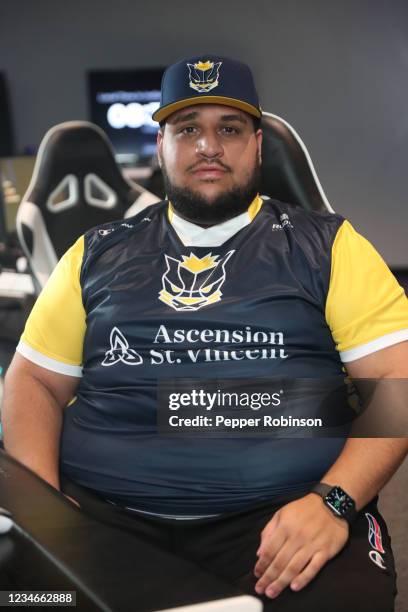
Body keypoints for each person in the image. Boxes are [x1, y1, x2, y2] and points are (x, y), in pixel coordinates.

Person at [2, 54, 408, 611]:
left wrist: (334, 502)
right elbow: (33, 382)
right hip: (102, 515)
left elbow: (396, 383)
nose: (208, 146)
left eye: (230, 129)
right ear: (162, 144)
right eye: (188, 128)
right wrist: (42, 511)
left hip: (285, 516)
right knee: (26, 599)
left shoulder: (329, 246)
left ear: (258, 144)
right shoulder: (97, 252)